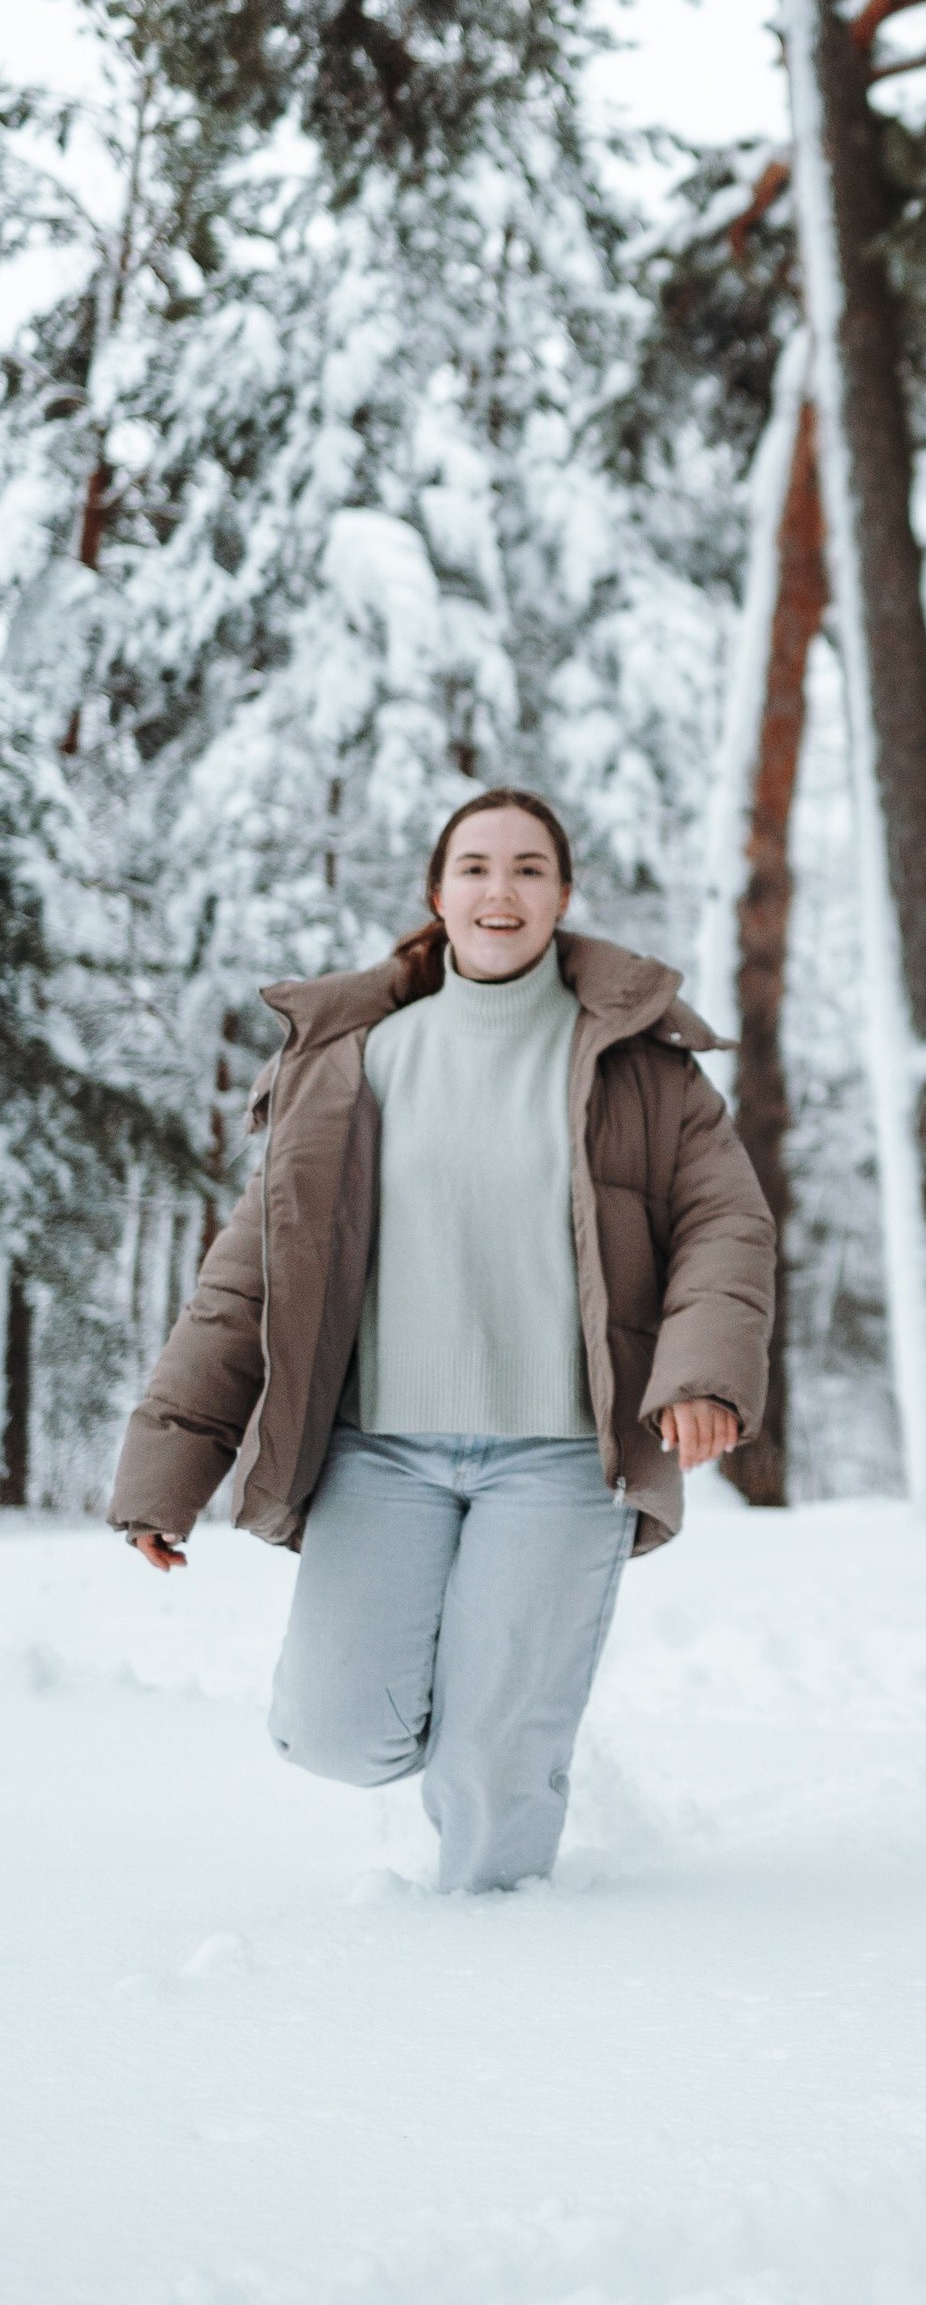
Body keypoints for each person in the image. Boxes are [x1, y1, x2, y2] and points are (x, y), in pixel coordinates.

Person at [111, 790, 775, 1891]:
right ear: (437, 894)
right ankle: (497, 1733)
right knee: (330, 1730)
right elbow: (247, 1279)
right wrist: (168, 1470)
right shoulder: (355, 1062)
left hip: (564, 1459)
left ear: (563, 896)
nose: (499, 891)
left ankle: (490, 1961)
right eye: (474, 868)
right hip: (380, 1453)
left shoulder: (641, 1068)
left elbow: (725, 1226)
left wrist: (697, 1374)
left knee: (492, 1764)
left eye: (527, 869)